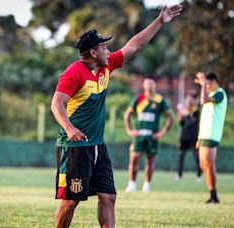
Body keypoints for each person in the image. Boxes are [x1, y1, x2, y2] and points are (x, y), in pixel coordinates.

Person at [50, 4, 182, 228]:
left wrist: (159, 21)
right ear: (93, 53)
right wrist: (70, 129)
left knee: (109, 196)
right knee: (71, 200)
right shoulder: (74, 72)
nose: (109, 51)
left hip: (98, 146)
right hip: (74, 148)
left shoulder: (106, 66)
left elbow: (134, 47)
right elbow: (56, 104)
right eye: (104, 47)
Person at [123, 78, 174, 192]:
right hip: (139, 135)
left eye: (152, 84)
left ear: (155, 86)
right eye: (148, 84)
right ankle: (132, 185)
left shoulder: (159, 100)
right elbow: (127, 115)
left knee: (150, 160)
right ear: (144, 86)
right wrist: (129, 130)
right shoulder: (139, 98)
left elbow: (171, 117)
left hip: (152, 136)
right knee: (133, 159)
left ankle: (146, 185)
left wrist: (162, 132)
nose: (150, 86)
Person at [194, 72, 227, 204]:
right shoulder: (211, 94)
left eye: (207, 84)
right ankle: (212, 194)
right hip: (204, 135)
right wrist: (199, 137)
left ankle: (214, 195)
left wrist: (202, 85)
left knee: (209, 164)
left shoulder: (220, 93)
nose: (206, 87)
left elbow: (202, 101)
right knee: (203, 164)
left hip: (212, 134)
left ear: (214, 82)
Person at [176, 92, 202, 181]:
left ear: (194, 101)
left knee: (197, 158)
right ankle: (179, 175)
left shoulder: (196, 111)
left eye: (191, 100)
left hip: (193, 138)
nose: (189, 101)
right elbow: (182, 124)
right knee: (180, 157)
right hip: (184, 138)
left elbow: (191, 123)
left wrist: (185, 116)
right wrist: (180, 117)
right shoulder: (185, 111)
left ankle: (199, 176)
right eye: (188, 99)